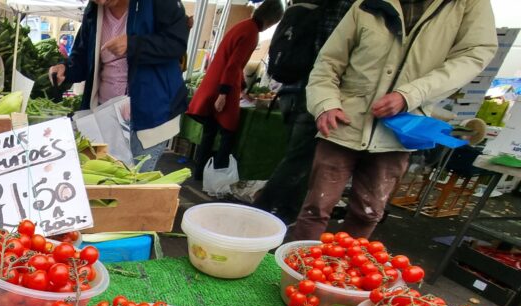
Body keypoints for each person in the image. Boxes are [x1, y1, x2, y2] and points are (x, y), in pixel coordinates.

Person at [291, 0, 497, 240]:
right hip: (343, 123)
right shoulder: (365, 4)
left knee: (368, 213)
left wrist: (411, 95)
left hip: (400, 131)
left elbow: (474, 55)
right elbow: (328, 62)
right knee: (315, 208)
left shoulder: (467, 4)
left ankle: (348, 263)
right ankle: (297, 260)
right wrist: (325, 103)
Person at [48, 0, 189, 169]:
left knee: (135, 180)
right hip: (104, 114)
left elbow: (176, 43)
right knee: (102, 177)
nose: (101, 1)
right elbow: (82, 57)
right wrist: (66, 69)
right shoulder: (93, 11)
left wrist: (133, 44)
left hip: (150, 117)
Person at [254, 0, 356, 223]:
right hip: (313, 97)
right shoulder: (343, 9)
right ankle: (263, 211)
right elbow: (330, 60)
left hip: (290, 93)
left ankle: (284, 212)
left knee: (299, 159)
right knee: (300, 160)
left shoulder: (306, 8)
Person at [187, 0, 285, 181]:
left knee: (210, 131)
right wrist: (223, 93)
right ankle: (217, 174)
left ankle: (201, 173)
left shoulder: (243, 26)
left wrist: (243, 88)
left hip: (216, 82)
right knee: (228, 132)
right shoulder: (251, 33)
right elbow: (233, 65)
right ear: (272, 19)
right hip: (222, 85)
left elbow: (235, 65)